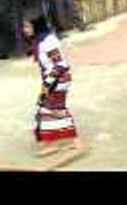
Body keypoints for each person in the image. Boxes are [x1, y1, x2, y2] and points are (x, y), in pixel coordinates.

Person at [23, 15, 84, 153]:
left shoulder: (48, 42)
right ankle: (68, 141)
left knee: (52, 109)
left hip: (58, 80)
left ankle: (55, 143)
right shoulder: (41, 40)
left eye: (27, 26)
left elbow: (60, 64)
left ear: (36, 26)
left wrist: (48, 84)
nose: (25, 30)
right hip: (54, 79)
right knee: (53, 109)